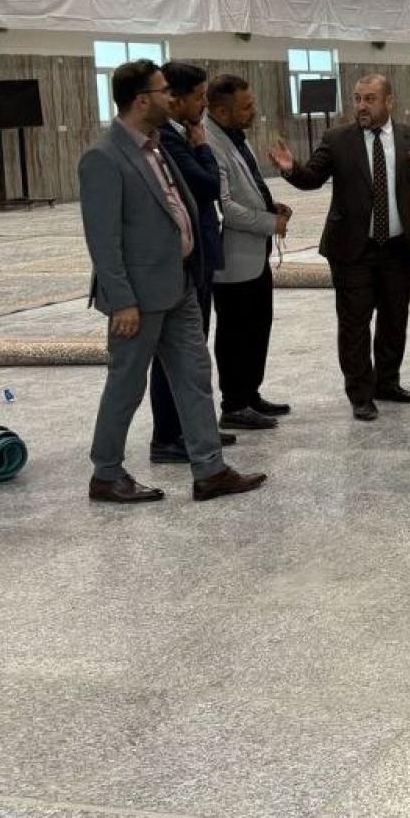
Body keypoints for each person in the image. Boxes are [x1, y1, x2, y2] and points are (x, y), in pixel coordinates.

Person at [78, 60, 266, 503]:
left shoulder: (158, 146)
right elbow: (103, 240)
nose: (172, 97)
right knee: (127, 385)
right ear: (142, 100)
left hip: (179, 285)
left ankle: (210, 469)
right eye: (164, 91)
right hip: (138, 299)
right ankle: (106, 473)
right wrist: (122, 301)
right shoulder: (104, 158)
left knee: (195, 377)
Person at [270, 75, 410, 422]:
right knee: (355, 324)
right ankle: (360, 394)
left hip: (398, 250)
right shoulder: (337, 139)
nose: (361, 106)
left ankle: (387, 383)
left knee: (394, 319)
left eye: (370, 99)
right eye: (357, 98)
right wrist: (291, 170)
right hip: (352, 250)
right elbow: (312, 178)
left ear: (388, 101)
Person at [142, 61, 238, 465]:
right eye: (199, 97)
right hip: (185, 262)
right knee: (176, 356)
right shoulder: (170, 139)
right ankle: (168, 436)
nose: (204, 105)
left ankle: (192, 428)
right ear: (176, 100)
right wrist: (202, 147)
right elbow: (208, 185)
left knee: (192, 353)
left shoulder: (178, 134)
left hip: (198, 258)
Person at [204, 73, 292, 442]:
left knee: (258, 326)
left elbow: (248, 187)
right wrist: (270, 222)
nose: (253, 111)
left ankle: (250, 394)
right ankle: (234, 404)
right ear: (222, 110)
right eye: (246, 107)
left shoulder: (235, 137)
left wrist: (271, 205)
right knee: (235, 332)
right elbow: (224, 207)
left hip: (254, 254)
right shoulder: (210, 143)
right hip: (232, 257)